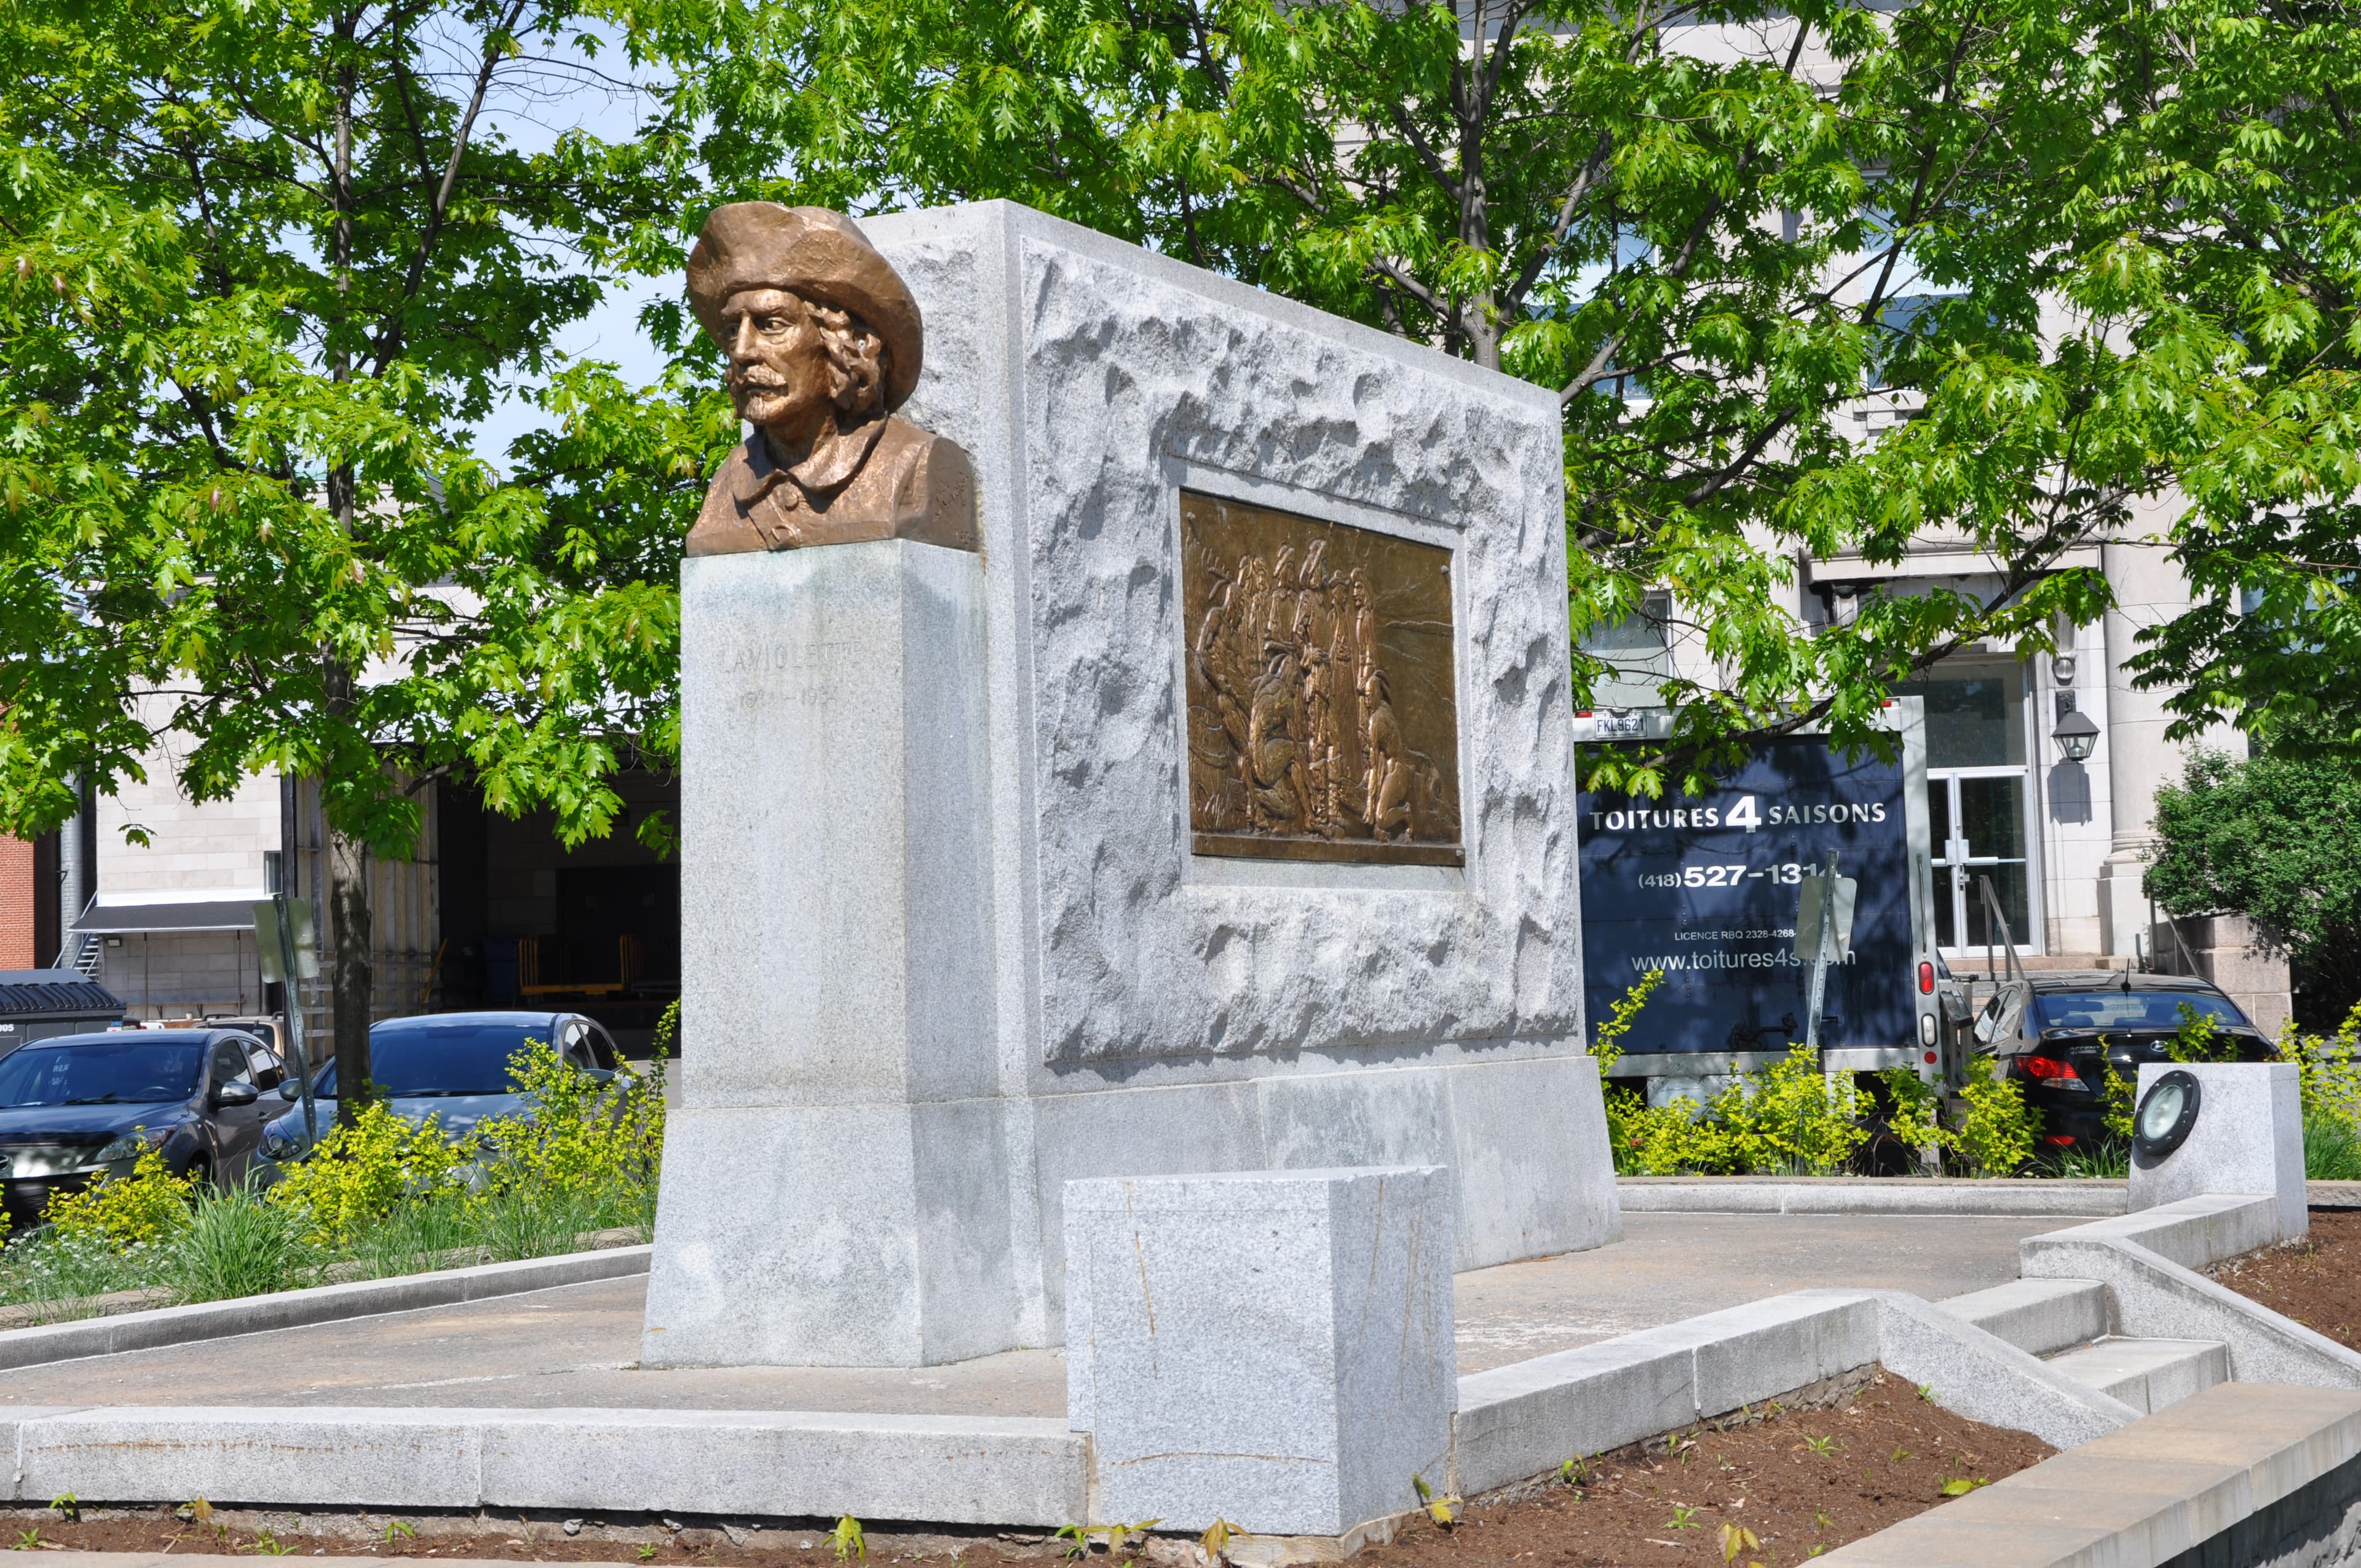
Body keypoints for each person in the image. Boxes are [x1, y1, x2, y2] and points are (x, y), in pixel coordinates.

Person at [684, 204, 975, 556]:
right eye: (732, 331)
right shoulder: (726, 484)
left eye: (771, 325)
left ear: (841, 344)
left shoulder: (914, 464)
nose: (742, 350)